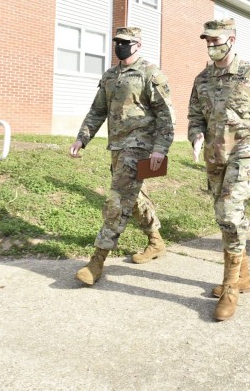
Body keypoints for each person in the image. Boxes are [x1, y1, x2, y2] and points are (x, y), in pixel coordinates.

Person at [188, 19, 250, 321]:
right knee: (223, 215)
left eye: (217, 41)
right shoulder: (201, 79)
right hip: (214, 155)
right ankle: (242, 276)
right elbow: (194, 116)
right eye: (208, 41)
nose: (212, 46)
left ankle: (230, 287)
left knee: (230, 212)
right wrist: (196, 135)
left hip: (245, 149)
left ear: (232, 39)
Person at [70, 27, 175, 286]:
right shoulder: (110, 76)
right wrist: (82, 137)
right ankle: (156, 241)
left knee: (117, 198)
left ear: (138, 44)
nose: (120, 46)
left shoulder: (150, 73)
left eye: (126, 42)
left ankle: (97, 261)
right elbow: (97, 110)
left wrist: (161, 149)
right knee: (135, 197)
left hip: (141, 147)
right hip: (116, 147)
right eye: (117, 41)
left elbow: (165, 114)